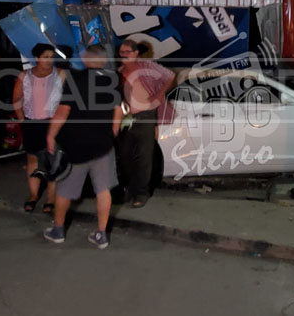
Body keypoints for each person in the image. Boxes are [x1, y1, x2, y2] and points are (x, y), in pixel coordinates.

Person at [43, 45, 123, 249]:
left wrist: (51, 135)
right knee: (103, 190)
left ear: (86, 59)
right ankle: (101, 234)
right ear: (104, 60)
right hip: (103, 145)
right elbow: (118, 111)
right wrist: (112, 133)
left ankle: (58, 231)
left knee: (65, 190)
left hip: (75, 145)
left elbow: (63, 111)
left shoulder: (75, 78)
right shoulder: (113, 80)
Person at [117, 40, 176, 208]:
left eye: (127, 51)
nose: (123, 55)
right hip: (127, 118)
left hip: (146, 115)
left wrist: (158, 95)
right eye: (121, 52)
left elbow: (170, 76)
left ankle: (141, 193)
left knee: (144, 156)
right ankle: (130, 188)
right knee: (125, 155)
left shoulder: (147, 66)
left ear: (135, 53)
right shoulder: (120, 71)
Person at [12, 43, 65, 213]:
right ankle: (33, 195)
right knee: (33, 160)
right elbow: (16, 99)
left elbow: (68, 100)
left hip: (53, 124)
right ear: (36, 58)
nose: (49, 60)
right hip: (31, 122)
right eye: (46, 57)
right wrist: (22, 120)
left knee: (52, 161)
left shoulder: (60, 74)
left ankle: (50, 198)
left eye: (51, 57)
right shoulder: (25, 76)